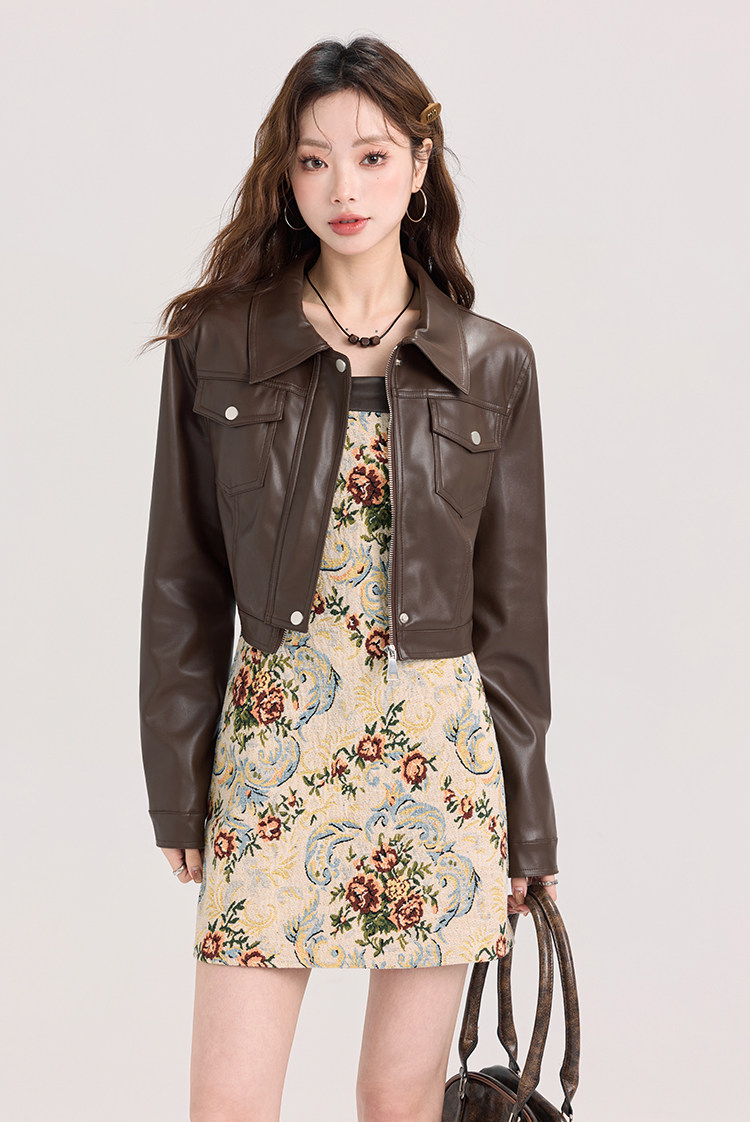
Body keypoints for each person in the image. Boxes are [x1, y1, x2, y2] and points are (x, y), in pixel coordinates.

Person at [138, 35, 560, 1122]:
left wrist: (530, 827)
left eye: (373, 157)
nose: (344, 189)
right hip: (274, 756)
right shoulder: (215, 345)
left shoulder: (493, 363)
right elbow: (182, 580)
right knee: (229, 1104)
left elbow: (511, 620)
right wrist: (178, 779)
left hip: (440, 769)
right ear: (286, 176)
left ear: (420, 167)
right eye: (315, 160)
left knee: (395, 1104)